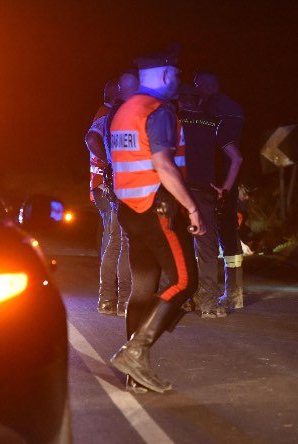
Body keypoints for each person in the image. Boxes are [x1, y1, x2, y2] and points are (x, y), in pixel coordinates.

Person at [109, 49, 205, 394]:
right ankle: (135, 353)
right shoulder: (158, 110)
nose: (179, 82)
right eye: (176, 76)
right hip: (157, 209)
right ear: (165, 76)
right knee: (184, 281)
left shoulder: (123, 112)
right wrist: (192, 208)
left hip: (130, 210)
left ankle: (136, 375)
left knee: (144, 290)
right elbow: (164, 165)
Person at [194, 71, 245, 312]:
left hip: (216, 181)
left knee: (207, 237)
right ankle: (234, 291)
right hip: (229, 181)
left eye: (198, 87)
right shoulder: (234, 107)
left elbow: (229, 152)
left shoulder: (211, 112)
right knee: (228, 235)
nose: (197, 93)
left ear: (207, 86)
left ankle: (212, 291)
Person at [176, 83, 225, 318]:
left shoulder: (174, 119)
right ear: (197, 100)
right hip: (204, 189)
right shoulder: (211, 121)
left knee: (181, 247)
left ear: (181, 100)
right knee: (206, 247)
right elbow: (224, 154)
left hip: (179, 189)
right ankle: (208, 304)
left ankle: (183, 300)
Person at [85, 80, 132, 316]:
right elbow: (91, 139)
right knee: (122, 241)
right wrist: (108, 165)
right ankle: (123, 300)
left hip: (112, 186)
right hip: (123, 187)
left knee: (113, 240)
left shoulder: (107, 116)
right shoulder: (120, 116)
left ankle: (107, 300)